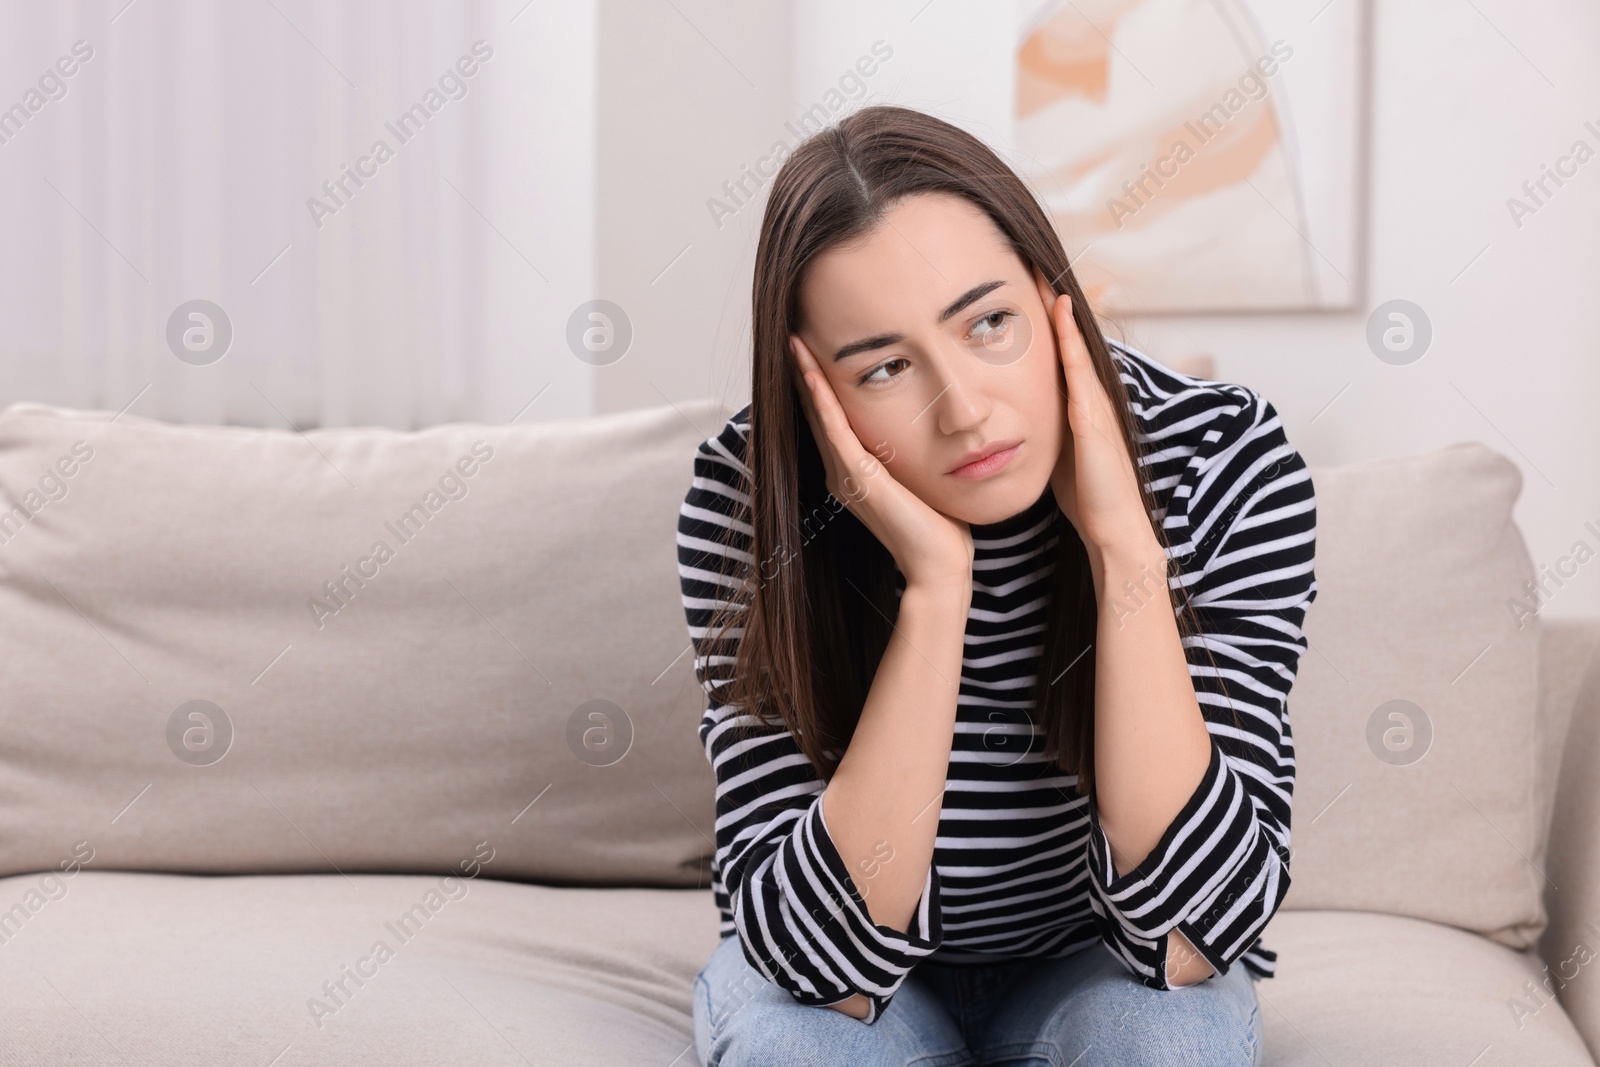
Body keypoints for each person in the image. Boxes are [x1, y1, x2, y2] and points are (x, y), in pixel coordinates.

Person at [675, 104, 1317, 1067]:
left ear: (1051, 293)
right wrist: (936, 593)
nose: (965, 411)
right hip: (867, 986)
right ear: (813, 389)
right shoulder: (751, 497)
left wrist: (1124, 551)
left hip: (1100, 963)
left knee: (1160, 1042)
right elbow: (824, 970)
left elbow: (1193, 938)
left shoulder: (1218, 460)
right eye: (887, 366)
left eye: (989, 323)